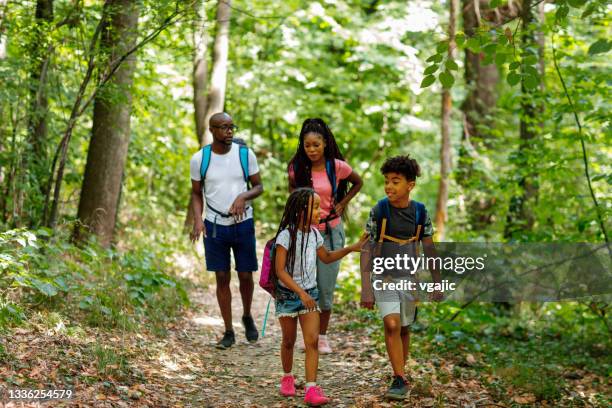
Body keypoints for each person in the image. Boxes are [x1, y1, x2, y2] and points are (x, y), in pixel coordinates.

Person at [274, 188, 367, 406]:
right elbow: (280, 271)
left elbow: (326, 257)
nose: (320, 210)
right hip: (288, 296)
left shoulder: (316, 234)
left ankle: (311, 388)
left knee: (312, 342)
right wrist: (300, 293)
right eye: (315, 207)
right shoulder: (286, 235)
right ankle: (287, 377)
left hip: (310, 295)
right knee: (289, 341)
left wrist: (352, 248)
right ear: (300, 211)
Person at [360, 155, 442, 400]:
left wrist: (437, 282)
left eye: (395, 181)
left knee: (404, 328)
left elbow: (429, 247)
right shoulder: (379, 210)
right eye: (386, 181)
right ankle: (398, 378)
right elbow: (366, 250)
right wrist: (366, 289)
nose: (389, 186)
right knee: (392, 324)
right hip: (383, 276)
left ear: (410, 185)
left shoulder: (420, 212)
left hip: (409, 277)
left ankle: (401, 374)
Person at [288, 118, 363, 354]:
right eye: (307, 145)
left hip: (331, 231)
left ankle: (322, 336)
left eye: (316, 145)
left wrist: (342, 203)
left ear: (324, 144)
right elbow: (293, 199)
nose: (311, 150)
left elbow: (358, 182)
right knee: (304, 284)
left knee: (326, 286)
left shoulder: (336, 166)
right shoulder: (296, 167)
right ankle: (307, 335)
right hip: (304, 233)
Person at [190, 112, 264, 349]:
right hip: (213, 225)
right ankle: (229, 330)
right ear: (212, 130)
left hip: (243, 223)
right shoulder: (200, 159)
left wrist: (243, 196)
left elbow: (259, 186)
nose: (230, 131)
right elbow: (195, 192)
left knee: (245, 274)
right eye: (224, 127)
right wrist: (197, 220)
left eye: (232, 126)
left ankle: (247, 314)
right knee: (221, 276)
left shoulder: (245, 154)